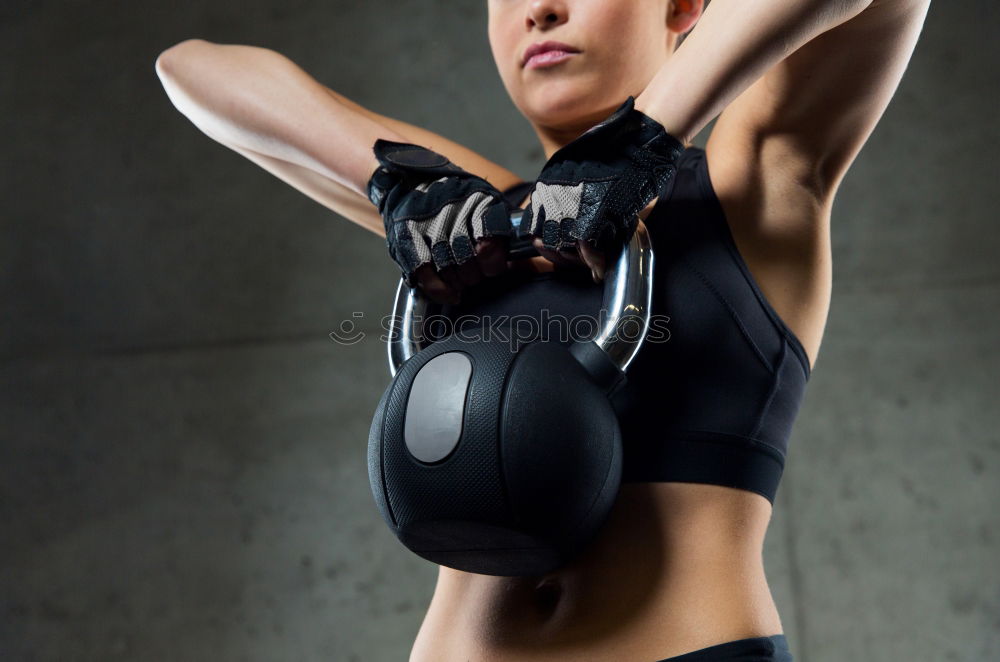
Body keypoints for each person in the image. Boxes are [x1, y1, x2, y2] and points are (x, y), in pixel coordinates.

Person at [155, 0, 931, 658]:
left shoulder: (755, 177)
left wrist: (648, 135)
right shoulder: (480, 221)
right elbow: (190, 69)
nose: (541, 7)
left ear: (685, 6)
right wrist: (397, 180)